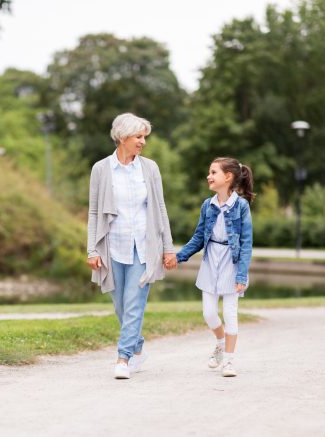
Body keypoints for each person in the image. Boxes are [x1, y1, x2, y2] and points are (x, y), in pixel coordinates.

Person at [87, 113, 177, 380]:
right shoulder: (101, 169)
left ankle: (123, 358)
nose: (143, 142)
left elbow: (160, 208)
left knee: (134, 304)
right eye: (139, 137)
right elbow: (94, 212)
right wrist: (92, 249)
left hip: (143, 247)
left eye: (144, 137)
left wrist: (168, 248)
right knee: (121, 308)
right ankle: (137, 347)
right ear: (122, 137)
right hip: (112, 247)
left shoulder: (149, 168)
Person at [175, 157, 255, 377]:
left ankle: (228, 361)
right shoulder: (207, 205)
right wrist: (179, 256)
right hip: (211, 262)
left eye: (213, 172)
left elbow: (246, 243)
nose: (208, 176)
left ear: (227, 177)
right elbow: (199, 237)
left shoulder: (241, 206)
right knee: (209, 313)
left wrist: (241, 274)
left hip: (232, 263)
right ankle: (220, 342)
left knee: (230, 314)